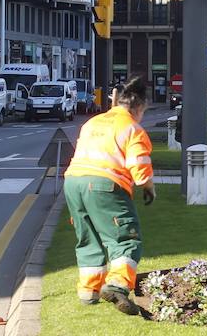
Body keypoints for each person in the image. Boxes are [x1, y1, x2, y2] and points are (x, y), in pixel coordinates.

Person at [63, 76, 155, 315]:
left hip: (73, 182)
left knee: (88, 237)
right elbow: (140, 167)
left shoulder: (93, 122)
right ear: (138, 106)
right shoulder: (132, 128)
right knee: (126, 238)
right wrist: (148, 188)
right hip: (105, 185)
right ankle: (117, 286)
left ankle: (88, 291)